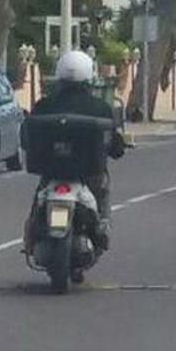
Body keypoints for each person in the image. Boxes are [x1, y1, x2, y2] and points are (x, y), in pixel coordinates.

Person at [24, 51, 125, 253]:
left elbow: (27, 139)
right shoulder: (100, 108)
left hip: (51, 173)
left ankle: (30, 235)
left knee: (39, 198)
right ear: (89, 76)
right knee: (102, 189)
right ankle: (102, 225)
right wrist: (118, 148)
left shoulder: (44, 106)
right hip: (89, 175)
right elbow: (115, 145)